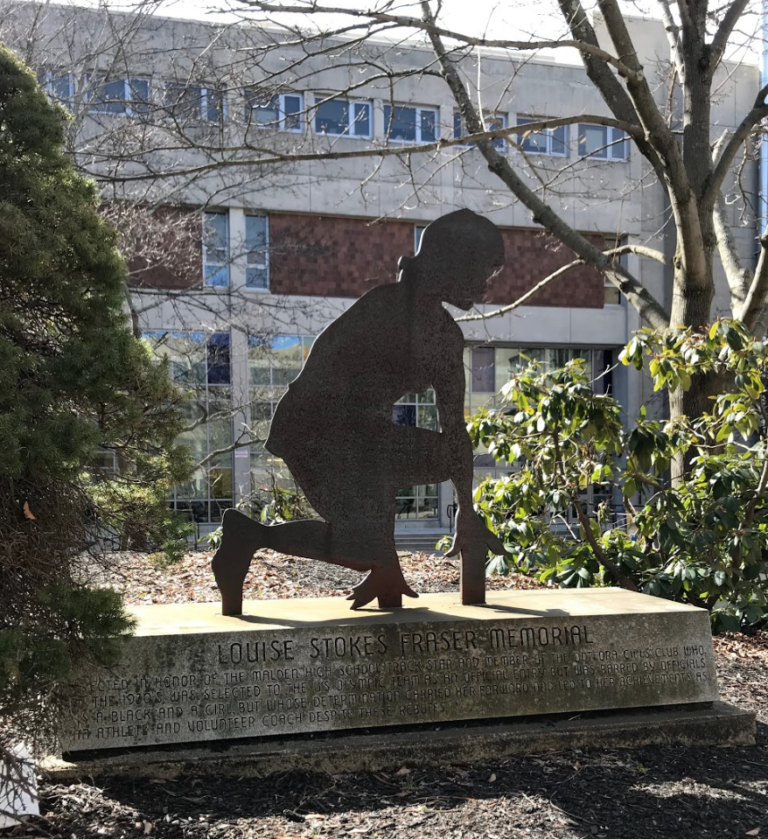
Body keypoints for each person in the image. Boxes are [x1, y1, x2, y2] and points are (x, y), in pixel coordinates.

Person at [212, 208, 506, 614]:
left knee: (439, 456)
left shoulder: (442, 334)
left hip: (362, 437)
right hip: (314, 431)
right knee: (359, 545)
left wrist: (466, 513)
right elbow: (344, 411)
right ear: (452, 264)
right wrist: (382, 549)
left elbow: (453, 432)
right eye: (483, 273)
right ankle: (247, 538)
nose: (485, 287)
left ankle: (380, 568)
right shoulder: (386, 309)